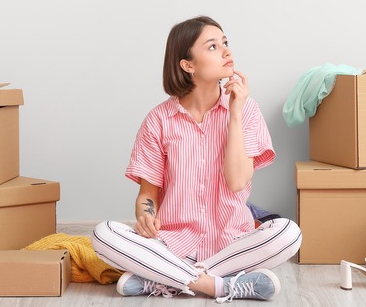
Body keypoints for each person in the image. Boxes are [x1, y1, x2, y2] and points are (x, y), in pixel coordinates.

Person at [92, 16, 302, 302]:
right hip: (174, 243)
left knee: (288, 233)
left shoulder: (246, 111)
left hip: (233, 246)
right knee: (104, 234)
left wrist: (235, 115)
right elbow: (148, 194)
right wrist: (146, 217)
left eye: (225, 43)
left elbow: (237, 181)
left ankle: (165, 279)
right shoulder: (158, 121)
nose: (227, 51)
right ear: (188, 65)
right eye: (213, 46)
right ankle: (220, 286)